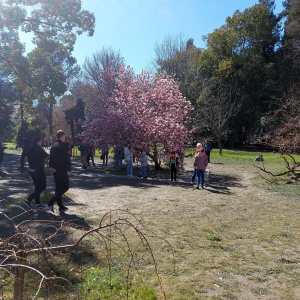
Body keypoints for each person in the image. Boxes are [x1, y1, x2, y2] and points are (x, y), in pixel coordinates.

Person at [46, 130, 70, 214]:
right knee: (65, 187)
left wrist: (51, 167)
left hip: (54, 169)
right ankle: (50, 203)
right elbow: (61, 159)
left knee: (59, 187)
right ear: (63, 136)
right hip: (60, 169)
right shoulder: (63, 145)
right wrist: (56, 167)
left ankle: (60, 206)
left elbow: (52, 157)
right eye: (65, 137)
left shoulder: (54, 145)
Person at [23, 136, 49, 208]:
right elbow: (47, 156)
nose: (42, 142)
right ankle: (28, 200)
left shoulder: (30, 148)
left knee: (37, 187)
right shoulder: (39, 149)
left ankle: (37, 203)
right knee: (42, 187)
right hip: (38, 170)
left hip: (31, 170)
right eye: (41, 141)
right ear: (38, 142)